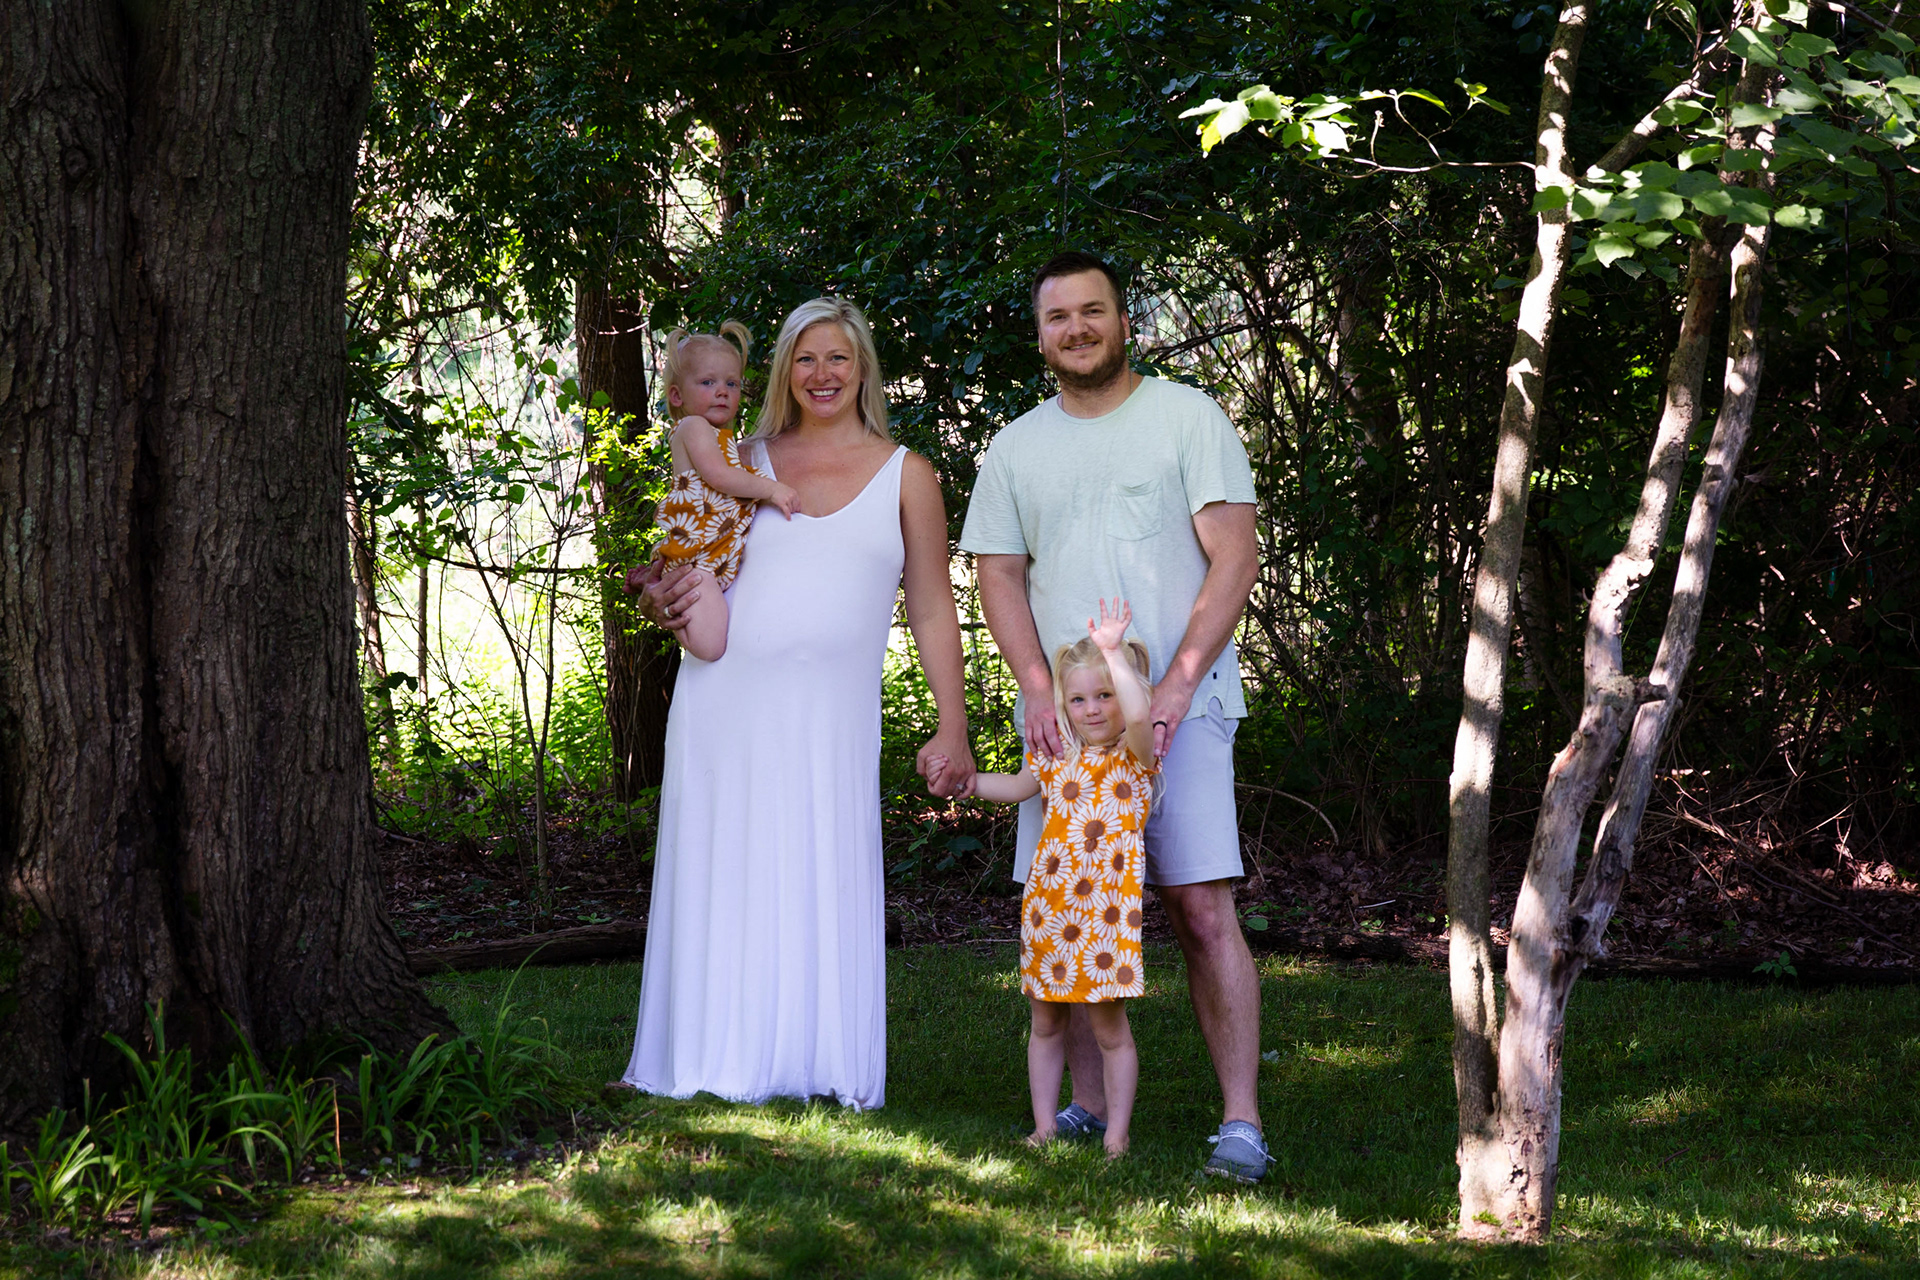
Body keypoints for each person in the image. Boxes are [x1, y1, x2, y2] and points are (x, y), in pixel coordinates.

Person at [617, 297, 975, 1109]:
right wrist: (658, 600)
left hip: (830, 721)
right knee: (726, 880)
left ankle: (814, 1063)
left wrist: (952, 724)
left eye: (838, 357)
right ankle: (705, 1056)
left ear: (863, 369)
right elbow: (679, 556)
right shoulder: (734, 456)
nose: (822, 374)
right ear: (783, 371)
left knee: (817, 878)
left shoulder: (907, 474)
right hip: (724, 708)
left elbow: (931, 607)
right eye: (805, 358)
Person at [957, 250, 1268, 1181]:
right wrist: (1036, 687)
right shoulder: (1016, 448)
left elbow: (1235, 557)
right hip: (1069, 722)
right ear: (1039, 336)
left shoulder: (1187, 418)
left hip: (1186, 711)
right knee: (1069, 905)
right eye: (1059, 317)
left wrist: (1177, 683)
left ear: (1125, 322)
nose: (1077, 329)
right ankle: (1088, 1109)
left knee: (1200, 906)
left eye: (1093, 311)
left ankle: (1241, 1124)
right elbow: (998, 576)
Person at [930, 598, 1155, 1160]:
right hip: (1049, 909)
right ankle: (1045, 1127)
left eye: (1104, 695)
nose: (1092, 709)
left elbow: (1137, 716)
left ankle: (1117, 1136)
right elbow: (1014, 786)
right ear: (1063, 704)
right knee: (1046, 1023)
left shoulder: (1136, 757)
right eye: (1078, 699)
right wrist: (965, 783)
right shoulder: (1056, 756)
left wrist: (1113, 654)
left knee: (1110, 1030)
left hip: (1105, 919)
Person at [649, 322, 798, 661]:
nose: (722, 391)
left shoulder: (721, 438)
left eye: (732, 383)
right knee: (711, 647)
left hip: (712, 561)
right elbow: (718, 477)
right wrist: (771, 489)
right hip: (696, 562)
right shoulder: (693, 427)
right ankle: (677, 621)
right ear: (677, 396)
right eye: (708, 382)